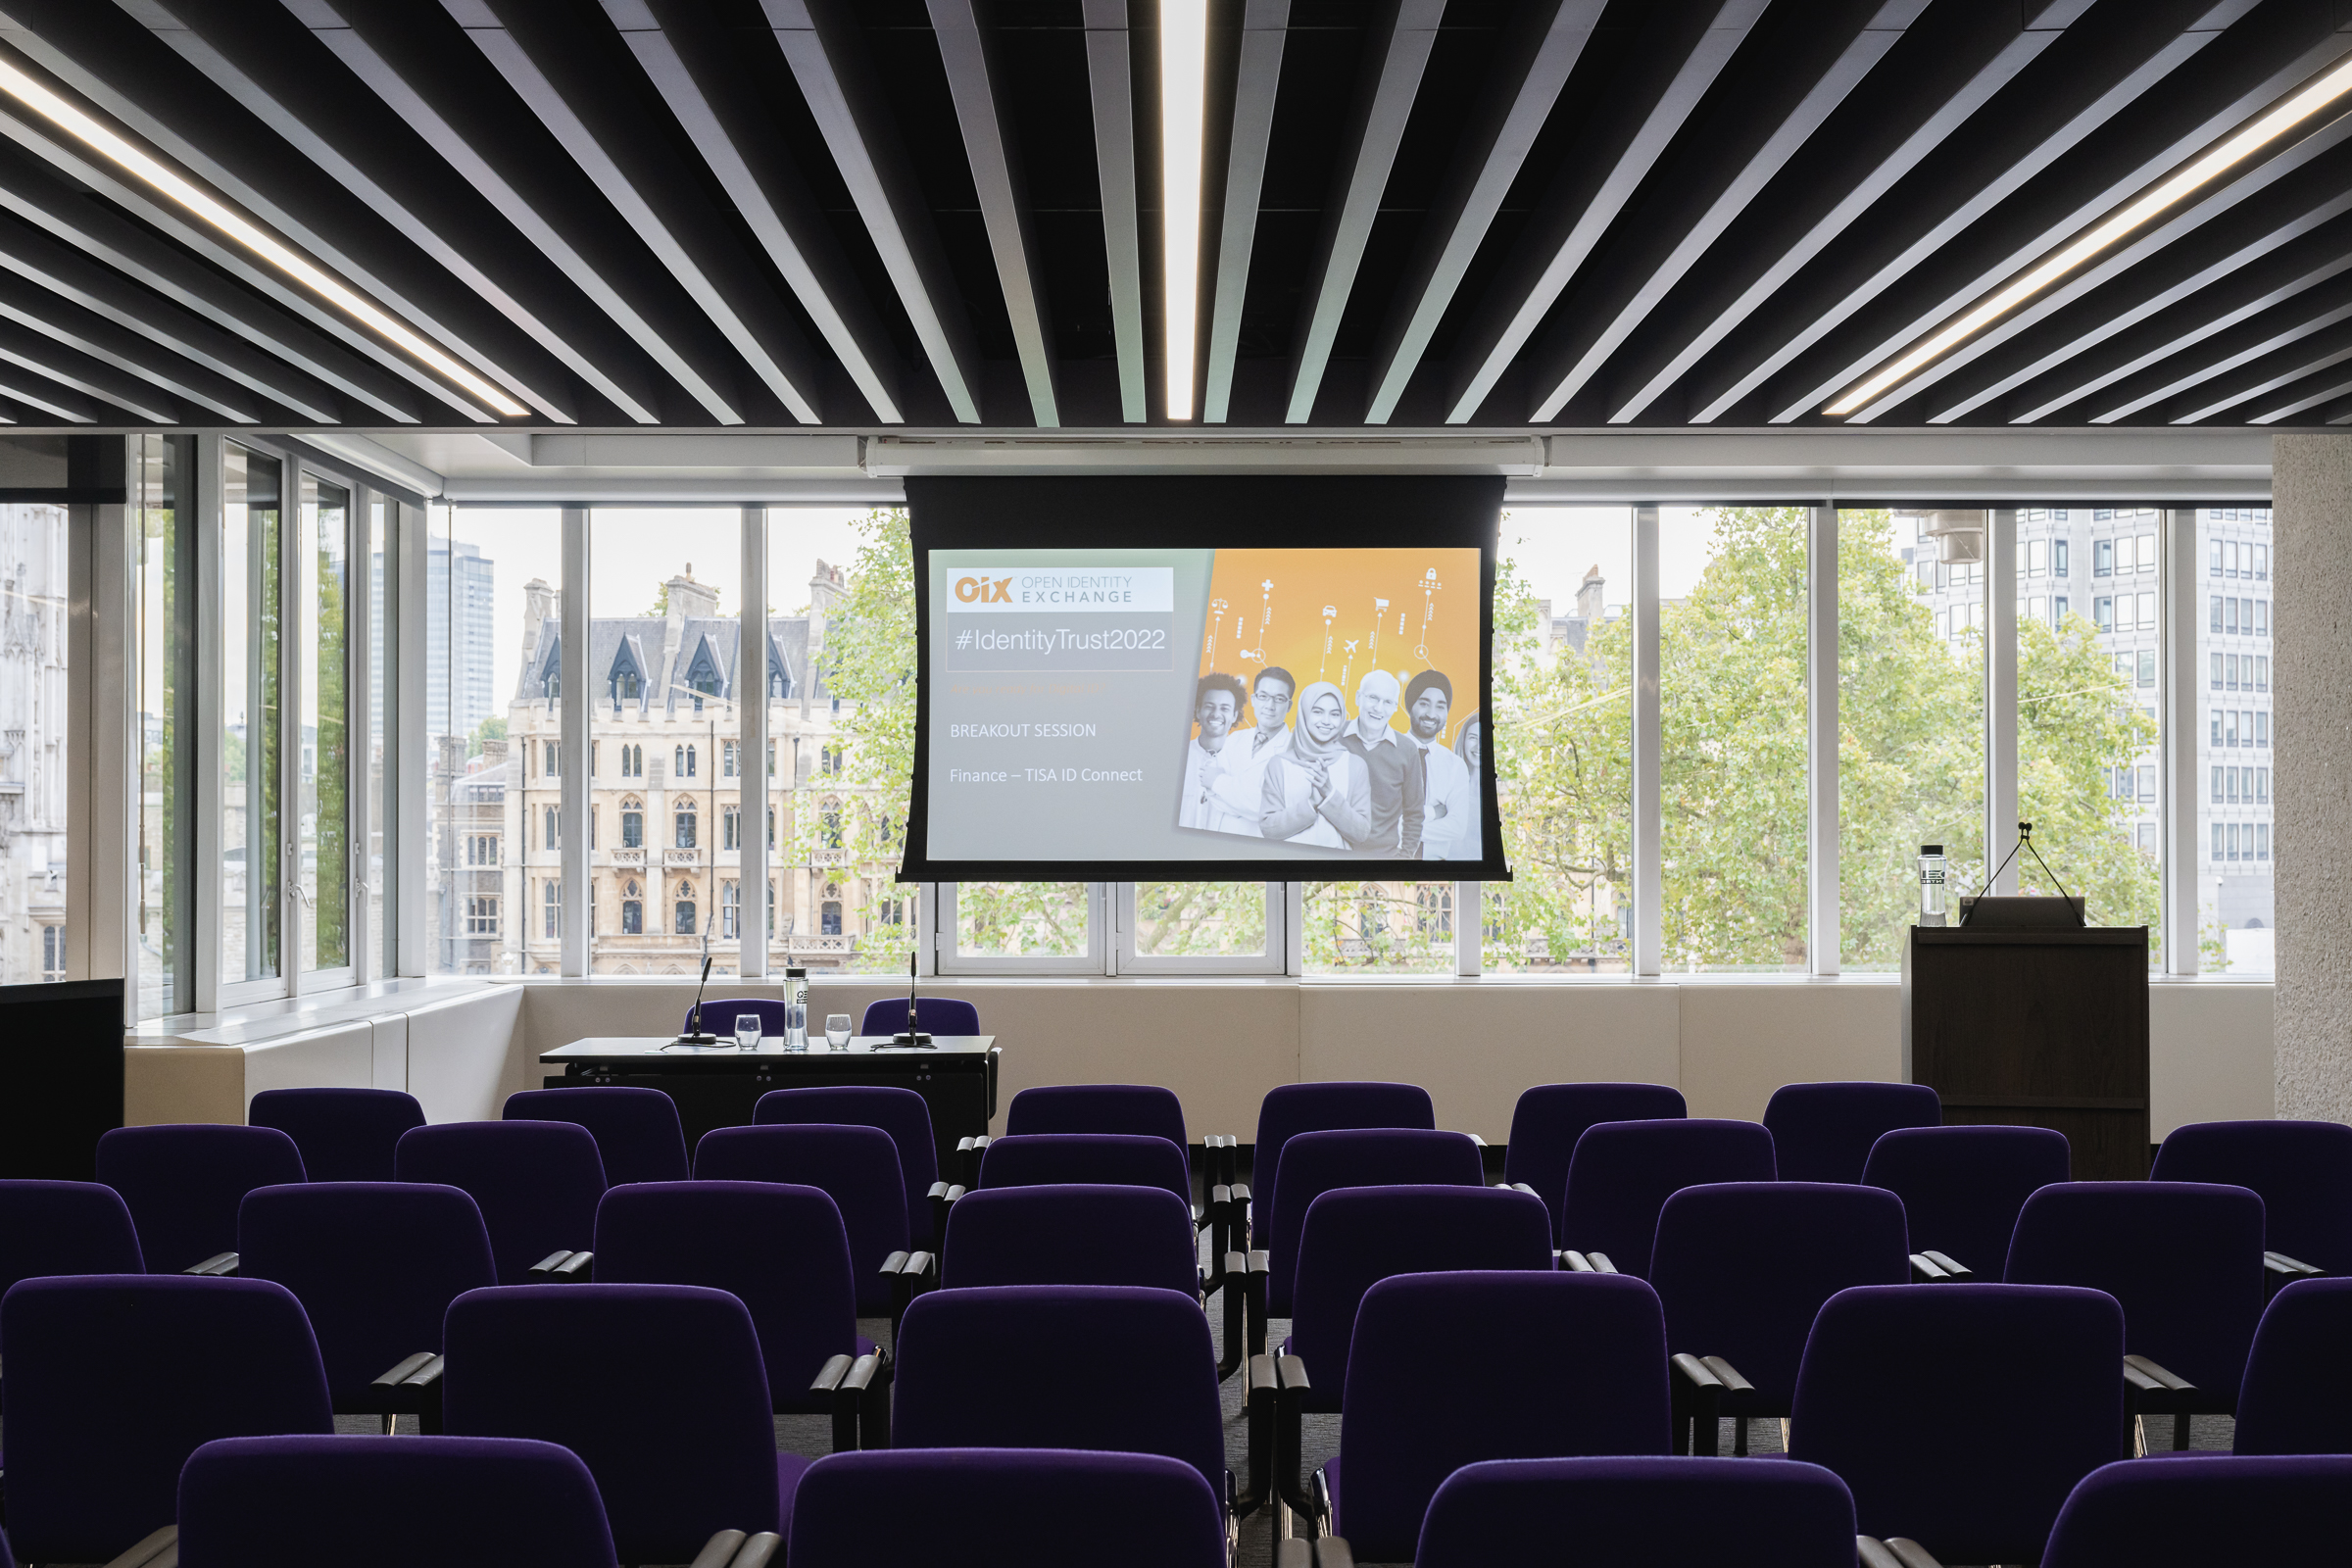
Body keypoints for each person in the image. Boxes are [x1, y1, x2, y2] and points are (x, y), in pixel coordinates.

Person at [1260, 681, 1370, 849]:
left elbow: (1361, 833)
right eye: (1318, 712)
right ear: (1304, 713)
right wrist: (1311, 804)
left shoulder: (1355, 765)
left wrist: (1329, 794)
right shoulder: (1279, 764)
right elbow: (1268, 829)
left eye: (1334, 714)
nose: (1326, 721)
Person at [1196, 666, 1296, 838]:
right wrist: (1245, 802)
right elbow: (1208, 791)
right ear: (1254, 700)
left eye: (1279, 699)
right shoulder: (1234, 739)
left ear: (1289, 706)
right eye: (1263, 697)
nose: (1270, 706)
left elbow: (1270, 808)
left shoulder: (1295, 751)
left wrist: (1219, 782)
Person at [1341, 668, 1423, 857]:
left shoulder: (1407, 750)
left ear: (1395, 707)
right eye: (1373, 698)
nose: (1378, 708)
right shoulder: (1334, 736)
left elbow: (1414, 813)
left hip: (1384, 859)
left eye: (1387, 702)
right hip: (1333, 853)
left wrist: (1405, 857)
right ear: (1358, 698)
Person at [1404, 670, 1472, 860]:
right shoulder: (1386, 752)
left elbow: (1457, 828)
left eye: (1440, 706)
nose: (1431, 714)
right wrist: (1433, 813)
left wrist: (1401, 831)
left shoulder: (1455, 766)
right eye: (1424, 703)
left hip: (1436, 874)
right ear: (1410, 706)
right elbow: (1378, 823)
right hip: (1384, 868)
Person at [1178, 672, 1250, 831]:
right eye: (1209, 706)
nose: (1216, 714)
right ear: (1198, 711)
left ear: (1234, 716)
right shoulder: (1178, 757)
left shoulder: (1246, 765)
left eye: (1225, 708)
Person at [1452, 710, 1484, 862]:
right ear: (1463, 740)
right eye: (1473, 738)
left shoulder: (1502, 793)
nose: (1479, 746)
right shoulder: (1447, 785)